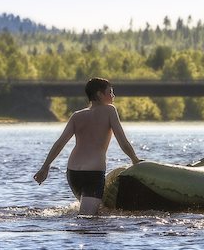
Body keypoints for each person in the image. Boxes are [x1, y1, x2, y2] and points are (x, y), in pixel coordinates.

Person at [34, 77, 141, 215]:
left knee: (94, 212)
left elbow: (60, 143)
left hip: (73, 174)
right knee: (87, 219)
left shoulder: (77, 115)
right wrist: (135, 160)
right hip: (93, 175)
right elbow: (123, 141)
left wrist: (45, 167)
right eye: (110, 92)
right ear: (99, 94)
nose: (113, 96)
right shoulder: (109, 110)